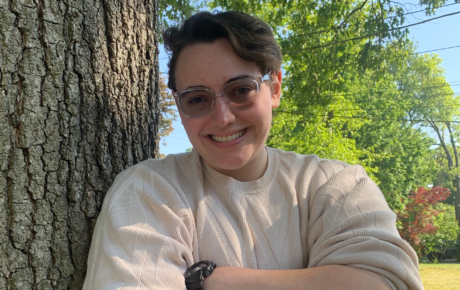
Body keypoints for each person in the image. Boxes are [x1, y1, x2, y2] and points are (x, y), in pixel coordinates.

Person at [83, 11, 423, 290]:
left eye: (241, 90)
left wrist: (217, 280)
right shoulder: (148, 192)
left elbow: (387, 282)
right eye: (198, 99)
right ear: (179, 105)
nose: (223, 117)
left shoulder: (336, 185)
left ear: (274, 88)